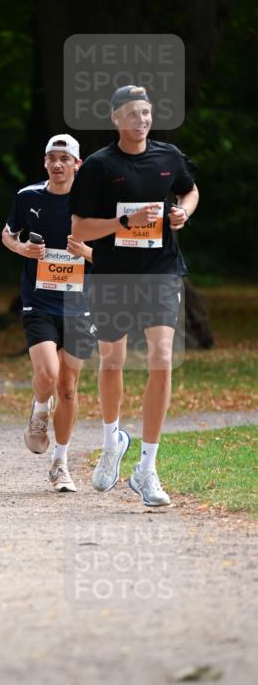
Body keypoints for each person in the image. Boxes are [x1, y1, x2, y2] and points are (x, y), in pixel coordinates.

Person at [71, 84, 199, 507]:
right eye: (133, 114)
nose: (141, 120)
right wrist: (123, 223)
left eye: (146, 113)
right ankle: (112, 443)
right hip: (112, 276)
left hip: (162, 272)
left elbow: (189, 190)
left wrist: (183, 212)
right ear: (115, 119)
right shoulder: (97, 165)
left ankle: (147, 469)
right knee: (112, 360)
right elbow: (80, 230)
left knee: (162, 357)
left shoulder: (169, 156)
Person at [2, 135, 95, 493]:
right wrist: (22, 248)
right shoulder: (28, 197)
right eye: (51, 158)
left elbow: (110, 251)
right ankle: (39, 411)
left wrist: (85, 252)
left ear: (77, 165)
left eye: (64, 159)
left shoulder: (91, 202)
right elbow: (7, 235)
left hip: (79, 304)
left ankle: (61, 464)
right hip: (38, 300)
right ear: (44, 163)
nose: (57, 164)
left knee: (69, 388)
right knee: (47, 373)